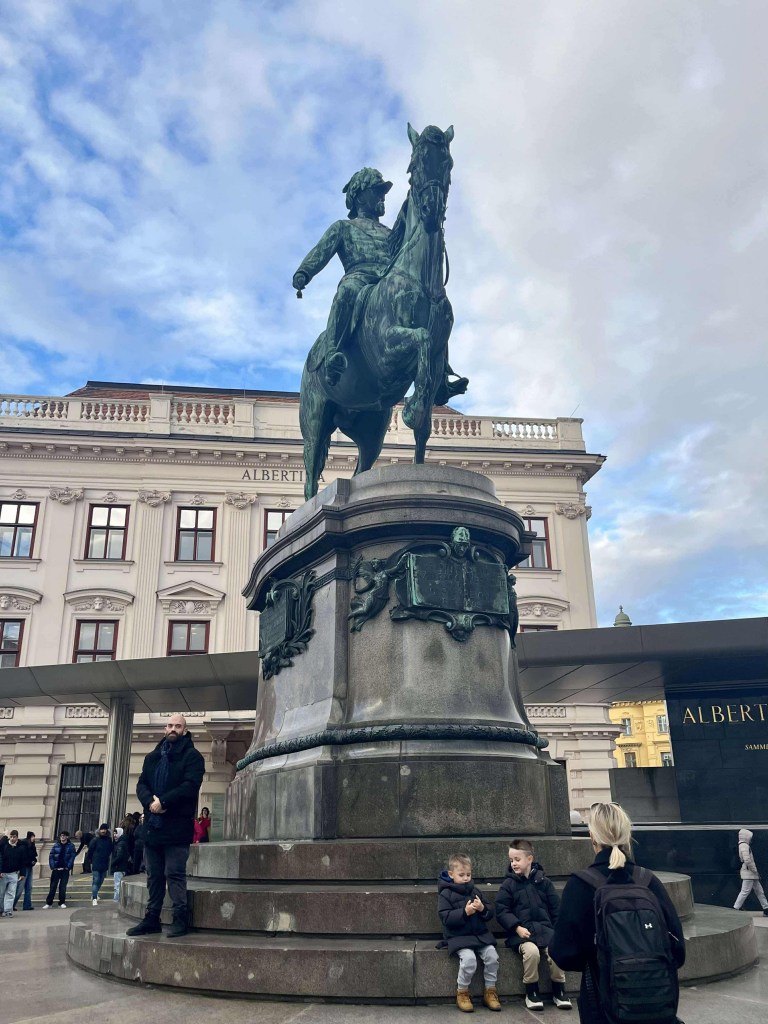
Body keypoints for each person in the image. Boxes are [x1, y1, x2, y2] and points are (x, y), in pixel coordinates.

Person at [550, 803, 685, 1024]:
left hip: (602, 1005)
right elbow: (678, 949)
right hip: (657, 1002)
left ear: (592, 837)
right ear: (627, 835)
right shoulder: (648, 881)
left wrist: (602, 961)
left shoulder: (580, 885)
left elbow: (562, 953)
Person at [292, 167, 393, 387]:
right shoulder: (344, 227)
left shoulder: (391, 232)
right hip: (359, 276)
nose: (382, 196)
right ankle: (332, 354)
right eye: (376, 191)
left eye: (383, 192)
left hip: (390, 282)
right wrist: (304, 272)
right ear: (359, 197)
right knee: (346, 291)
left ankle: (439, 373)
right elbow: (320, 252)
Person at [128, 713, 204, 938]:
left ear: (184, 730)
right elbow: (141, 784)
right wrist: (150, 802)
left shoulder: (192, 756)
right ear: (165, 728)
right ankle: (152, 918)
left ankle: (181, 918)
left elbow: (190, 786)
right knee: (153, 875)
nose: (173, 729)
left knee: (174, 873)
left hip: (177, 826)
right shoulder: (153, 756)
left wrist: (164, 802)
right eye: (170, 725)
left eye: (178, 726)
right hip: (153, 826)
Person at [495, 838, 571, 1011]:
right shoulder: (508, 885)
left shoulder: (544, 882)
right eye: (511, 860)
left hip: (545, 931)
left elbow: (556, 908)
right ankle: (532, 991)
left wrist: (557, 931)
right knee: (532, 953)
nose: (513, 863)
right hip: (522, 934)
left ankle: (559, 989)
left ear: (529, 859)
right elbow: (502, 910)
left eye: (517, 859)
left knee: (556, 952)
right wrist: (516, 927)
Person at [438, 852, 501, 1012]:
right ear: (451, 874)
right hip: (459, 937)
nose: (466, 878)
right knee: (469, 960)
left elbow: (489, 913)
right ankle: (462, 992)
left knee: (492, 956)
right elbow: (446, 917)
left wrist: (482, 908)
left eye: (468, 874)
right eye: (461, 875)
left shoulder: (475, 891)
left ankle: (490, 990)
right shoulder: (445, 894)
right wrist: (464, 912)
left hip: (480, 935)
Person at [733, 827, 768, 914]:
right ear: (746, 837)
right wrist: (754, 870)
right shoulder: (744, 846)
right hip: (749, 873)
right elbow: (747, 860)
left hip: (750, 873)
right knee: (746, 891)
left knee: (759, 891)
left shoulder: (742, 845)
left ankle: (766, 907)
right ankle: (736, 907)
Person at [43, 830, 76, 908]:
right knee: (53, 886)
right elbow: (51, 856)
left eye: (64, 836)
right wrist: (52, 866)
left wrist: (68, 866)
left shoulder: (71, 846)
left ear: (67, 837)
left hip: (65, 869)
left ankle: (61, 902)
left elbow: (72, 857)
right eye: (61, 836)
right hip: (56, 869)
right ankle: (49, 903)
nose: (62, 837)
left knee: (63, 887)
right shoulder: (56, 845)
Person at [0, 830, 26, 916]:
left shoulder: (20, 848)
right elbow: (1, 859)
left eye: (14, 837)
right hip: (3, 873)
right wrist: (4, 836)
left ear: (17, 837)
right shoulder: (4, 845)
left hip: (14, 873)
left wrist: (22, 873)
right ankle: (1, 910)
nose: (12, 839)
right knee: (1, 893)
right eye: (11, 837)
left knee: (11, 893)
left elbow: (22, 861)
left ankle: (7, 911)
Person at [88, 824, 113, 905]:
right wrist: (91, 861)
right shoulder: (95, 840)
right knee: (96, 879)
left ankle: (94, 894)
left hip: (104, 862)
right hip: (96, 862)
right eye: (102, 829)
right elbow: (90, 851)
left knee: (101, 880)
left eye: (105, 829)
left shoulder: (109, 840)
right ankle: (94, 898)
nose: (103, 831)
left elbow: (110, 849)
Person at [13, 831, 37, 911]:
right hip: (23, 868)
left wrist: (34, 861)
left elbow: (34, 855)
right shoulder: (23, 845)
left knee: (29, 887)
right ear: (30, 837)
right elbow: (22, 858)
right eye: (33, 837)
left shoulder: (32, 845)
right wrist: (30, 861)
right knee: (20, 888)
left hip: (29, 867)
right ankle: (11, 905)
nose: (34, 838)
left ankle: (27, 905)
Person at [111, 827, 131, 903]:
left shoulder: (120, 844)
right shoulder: (122, 843)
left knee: (117, 885)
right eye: (114, 833)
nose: (114, 835)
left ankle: (116, 900)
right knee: (119, 885)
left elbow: (119, 856)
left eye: (116, 833)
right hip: (121, 867)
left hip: (118, 867)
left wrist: (113, 863)